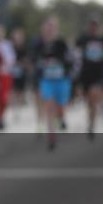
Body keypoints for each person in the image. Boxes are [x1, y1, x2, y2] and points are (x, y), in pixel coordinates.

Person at [32, 17, 72, 150]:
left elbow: (70, 60)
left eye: (52, 27)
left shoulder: (61, 43)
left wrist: (59, 62)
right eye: (47, 27)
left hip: (61, 80)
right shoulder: (38, 44)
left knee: (60, 109)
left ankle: (61, 118)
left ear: (56, 29)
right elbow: (32, 59)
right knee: (49, 107)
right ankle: (51, 137)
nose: (49, 30)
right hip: (46, 80)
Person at [76, 16, 103, 138]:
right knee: (89, 102)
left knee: (94, 96)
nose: (93, 28)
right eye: (92, 25)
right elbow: (76, 51)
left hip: (98, 73)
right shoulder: (83, 38)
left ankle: (92, 125)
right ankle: (91, 120)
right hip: (85, 74)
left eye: (95, 25)